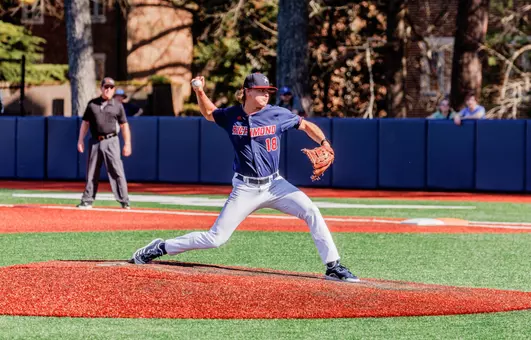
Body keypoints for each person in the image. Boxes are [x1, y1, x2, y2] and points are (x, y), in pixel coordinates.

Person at [129, 73, 360, 283]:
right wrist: (200, 92)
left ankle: (333, 266)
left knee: (311, 211)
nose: (265, 95)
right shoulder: (232, 115)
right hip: (245, 188)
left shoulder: (277, 113)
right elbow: (209, 113)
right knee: (215, 238)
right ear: (247, 91)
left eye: (268, 91)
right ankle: (161, 247)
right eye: (260, 90)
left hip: (275, 185)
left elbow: (306, 125)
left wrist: (324, 143)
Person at [76, 77, 132, 209]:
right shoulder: (92, 104)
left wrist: (127, 143)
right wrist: (80, 140)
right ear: (101, 88)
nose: (108, 90)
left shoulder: (117, 106)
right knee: (92, 171)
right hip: (95, 141)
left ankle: (124, 200)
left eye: (111, 87)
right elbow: (85, 123)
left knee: (117, 170)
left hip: (111, 140)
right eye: (105, 87)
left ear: (113, 90)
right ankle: (87, 200)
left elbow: (124, 126)